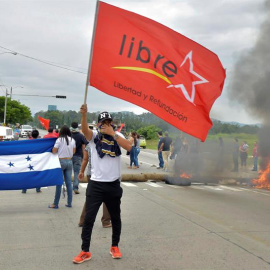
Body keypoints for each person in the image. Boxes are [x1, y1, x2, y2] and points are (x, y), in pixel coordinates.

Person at [73, 105, 132, 264]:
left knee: (116, 218)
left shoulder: (117, 135)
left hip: (113, 185)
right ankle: (85, 251)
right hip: (96, 185)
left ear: (111, 123)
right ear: (99, 124)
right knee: (89, 219)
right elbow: (85, 131)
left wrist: (113, 134)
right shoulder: (94, 138)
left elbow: (128, 147)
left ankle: (115, 246)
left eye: (108, 122)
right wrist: (84, 116)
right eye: (103, 122)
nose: (105, 124)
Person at [77, 128, 111, 228]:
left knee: (90, 198)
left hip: (91, 174)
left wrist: (81, 171)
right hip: (103, 175)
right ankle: (106, 221)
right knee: (108, 199)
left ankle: (83, 220)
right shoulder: (108, 145)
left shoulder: (89, 145)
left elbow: (85, 159)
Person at [49, 125, 76, 209]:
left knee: (59, 183)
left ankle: (55, 203)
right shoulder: (72, 140)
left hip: (60, 161)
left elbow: (54, 151)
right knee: (69, 183)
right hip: (69, 161)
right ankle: (69, 202)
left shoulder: (59, 140)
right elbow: (74, 151)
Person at [70, 122, 88, 194]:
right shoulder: (80, 136)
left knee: (68, 172)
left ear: (71, 126)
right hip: (78, 156)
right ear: (77, 127)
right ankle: (75, 187)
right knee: (77, 172)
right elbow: (85, 145)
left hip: (69, 156)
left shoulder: (68, 135)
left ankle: (66, 187)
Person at [22, 129, 42, 193]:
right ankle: (38, 189)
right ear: (38, 135)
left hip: (29, 160)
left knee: (27, 174)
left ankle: (24, 189)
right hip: (37, 160)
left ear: (31, 135)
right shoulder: (40, 142)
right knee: (38, 174)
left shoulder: (28, 141)